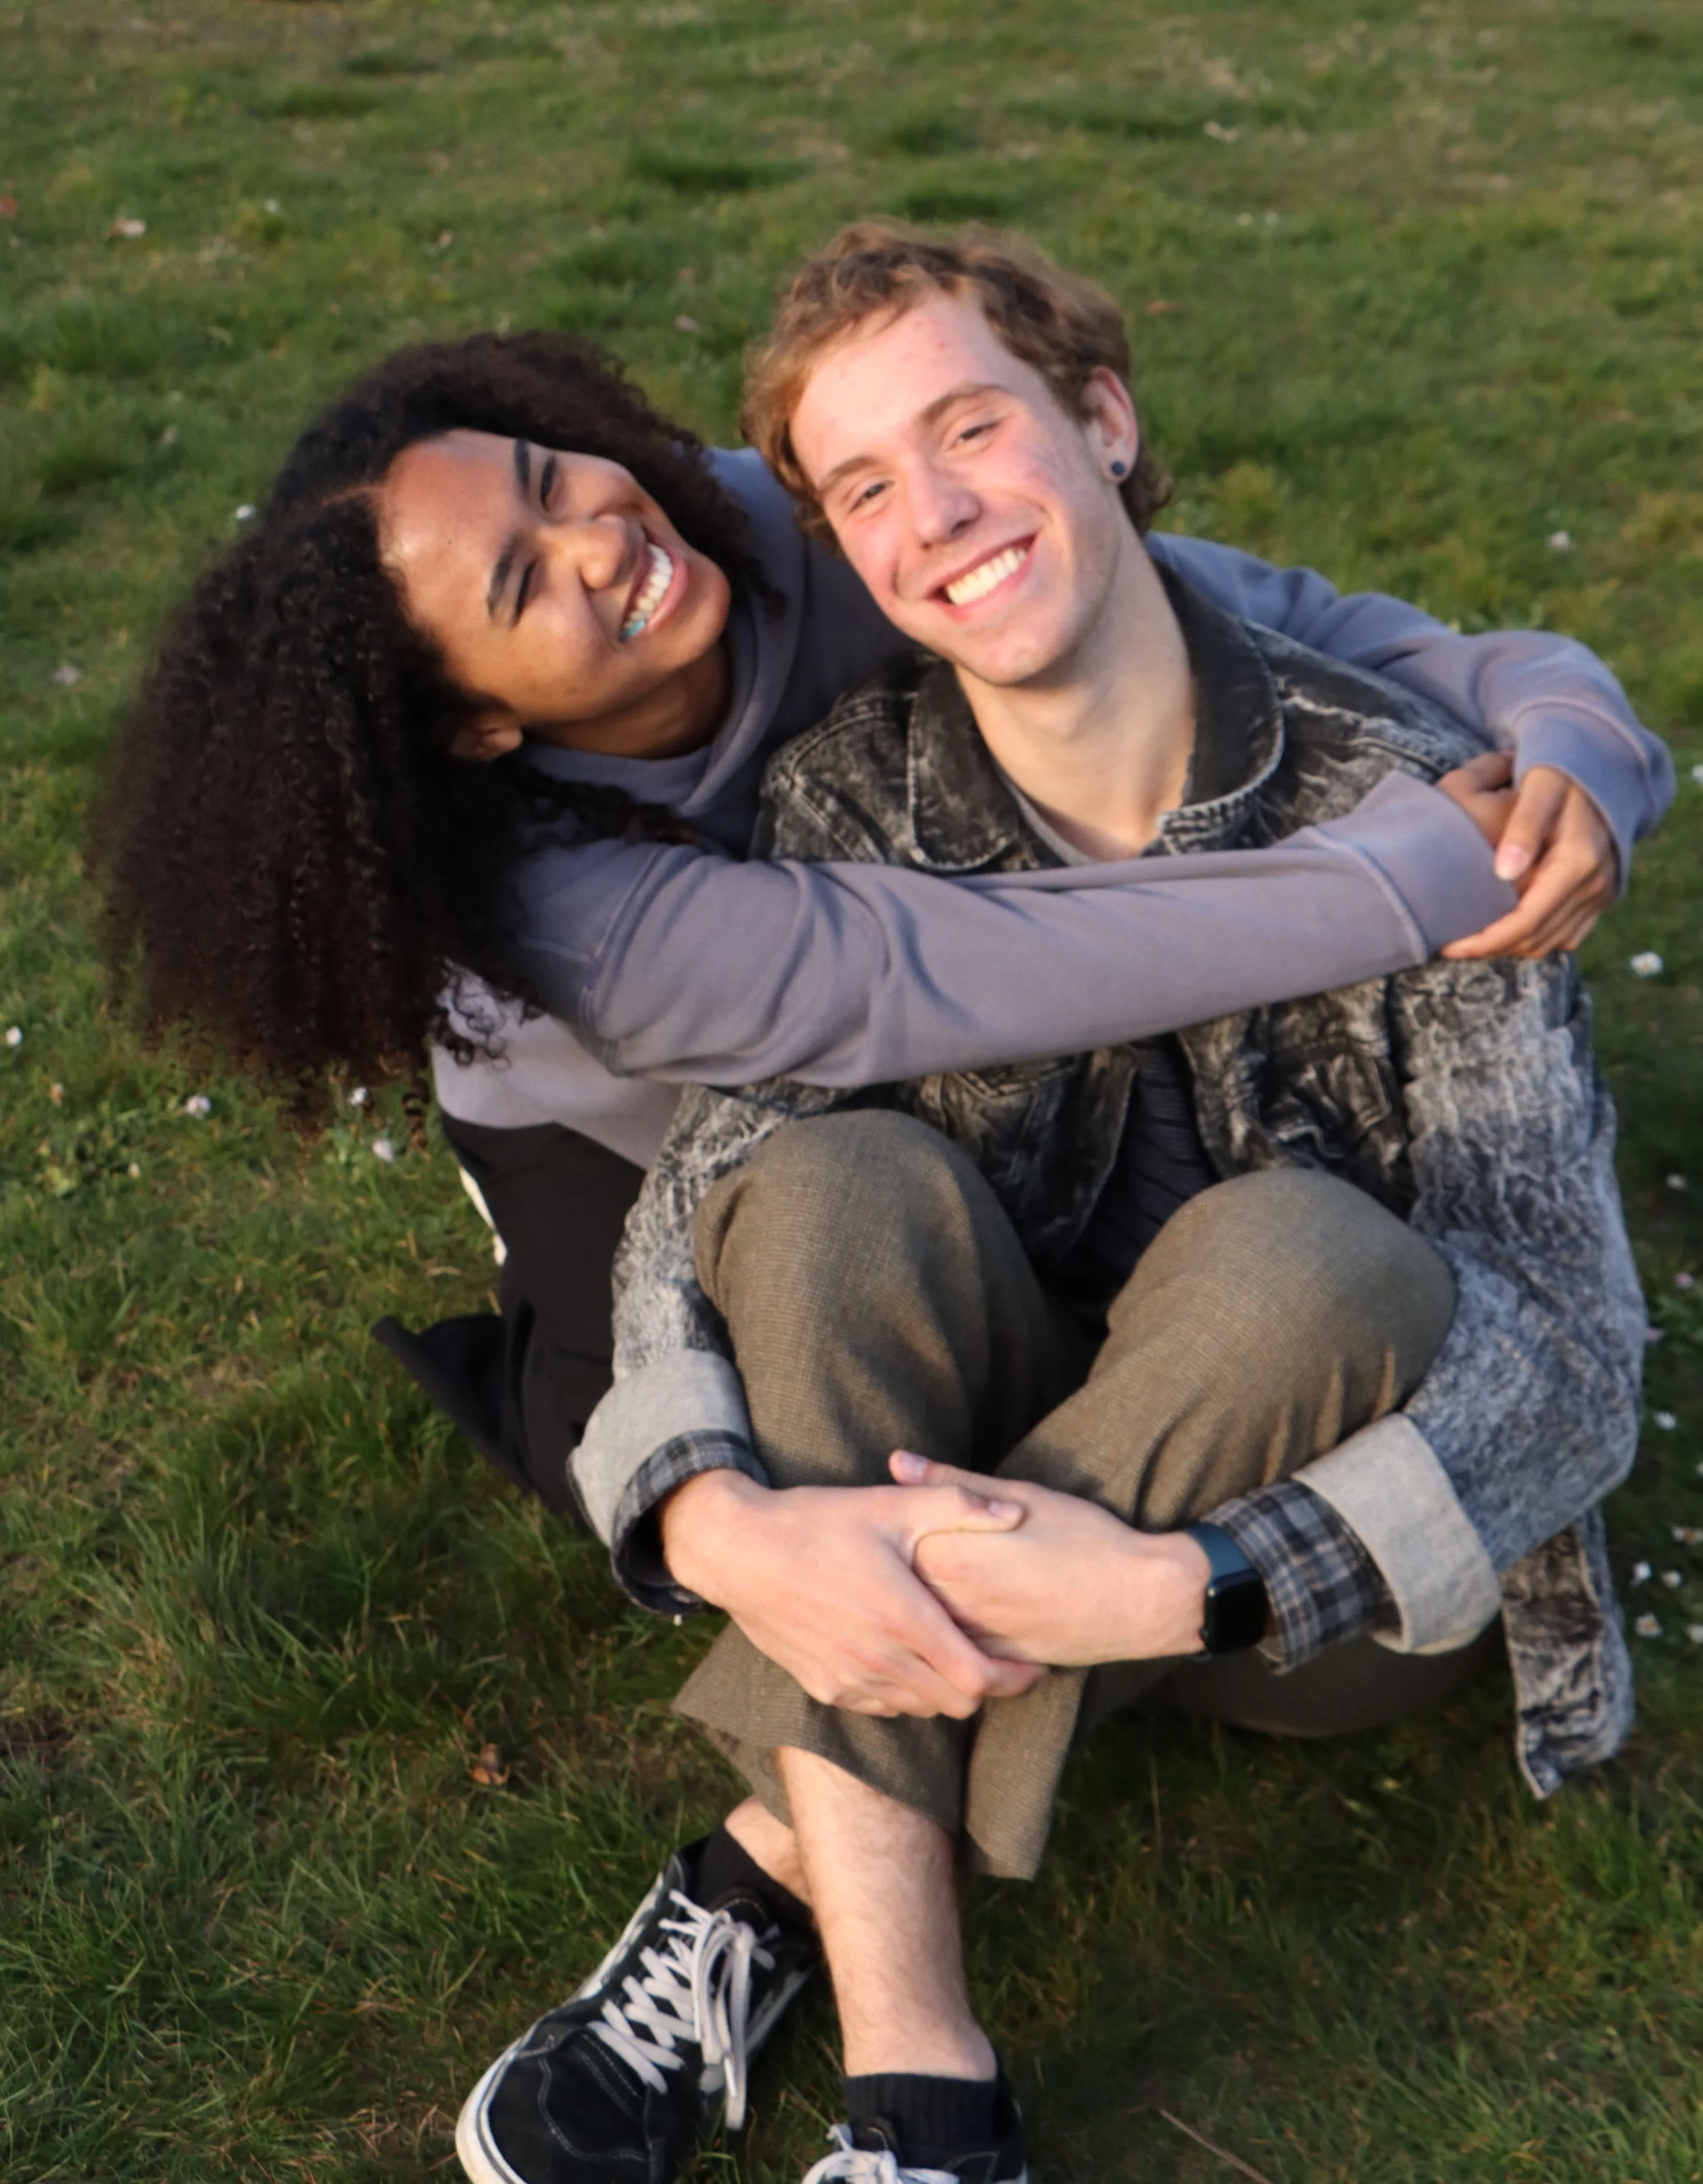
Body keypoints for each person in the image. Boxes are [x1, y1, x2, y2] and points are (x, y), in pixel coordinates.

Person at [455, 227, 1657, 2184]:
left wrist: (1188, 1582)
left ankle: (766, 1862)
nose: (933, 514)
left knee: (1304, 1249)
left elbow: (1577, 1365)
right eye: (861, 487)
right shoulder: (848, 796)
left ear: (1101, 420)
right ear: (839, 548)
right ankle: (926, 2099)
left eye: (971, 426)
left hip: (1313, 1591)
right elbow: (688, 1222)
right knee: (824, 1182)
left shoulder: (1430, 810)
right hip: (1005, 1403)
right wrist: (718, 1507)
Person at [95, 319, 1661, 1517]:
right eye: (521, 587)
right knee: (659, 1438)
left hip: (907, 995)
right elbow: (941, 970)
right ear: (476, 728)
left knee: (1007, 1278)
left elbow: (1259, 612)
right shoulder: (559, 912)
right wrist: (1411, 880)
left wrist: (1572, 741)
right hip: (622, 1114)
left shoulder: (777, 521)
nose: (600, 538)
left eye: (548, 474)